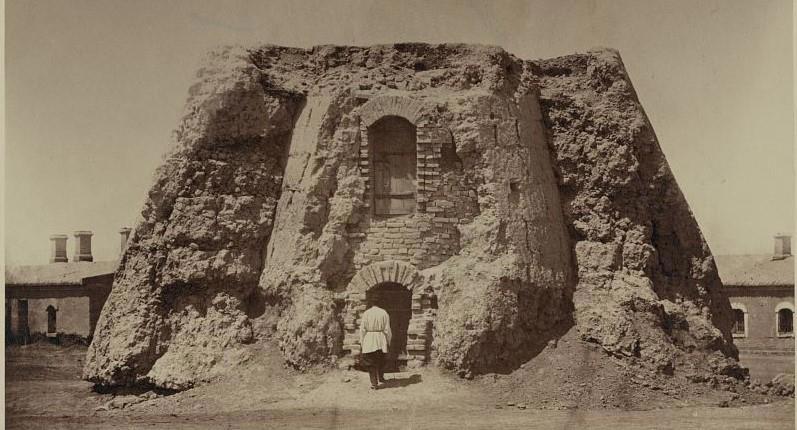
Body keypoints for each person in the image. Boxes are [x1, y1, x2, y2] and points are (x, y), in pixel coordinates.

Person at [359, 296, 392, 390]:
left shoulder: (367, 313)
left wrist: (362, 342)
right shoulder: (384, 313)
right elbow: (387, 329)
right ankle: (380, 377)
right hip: (381, 338)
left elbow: (362, 329)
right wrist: (388, 341)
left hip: (369, 339)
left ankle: (374, 383)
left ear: (371, 304)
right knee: (381, 359)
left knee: (370, 361)